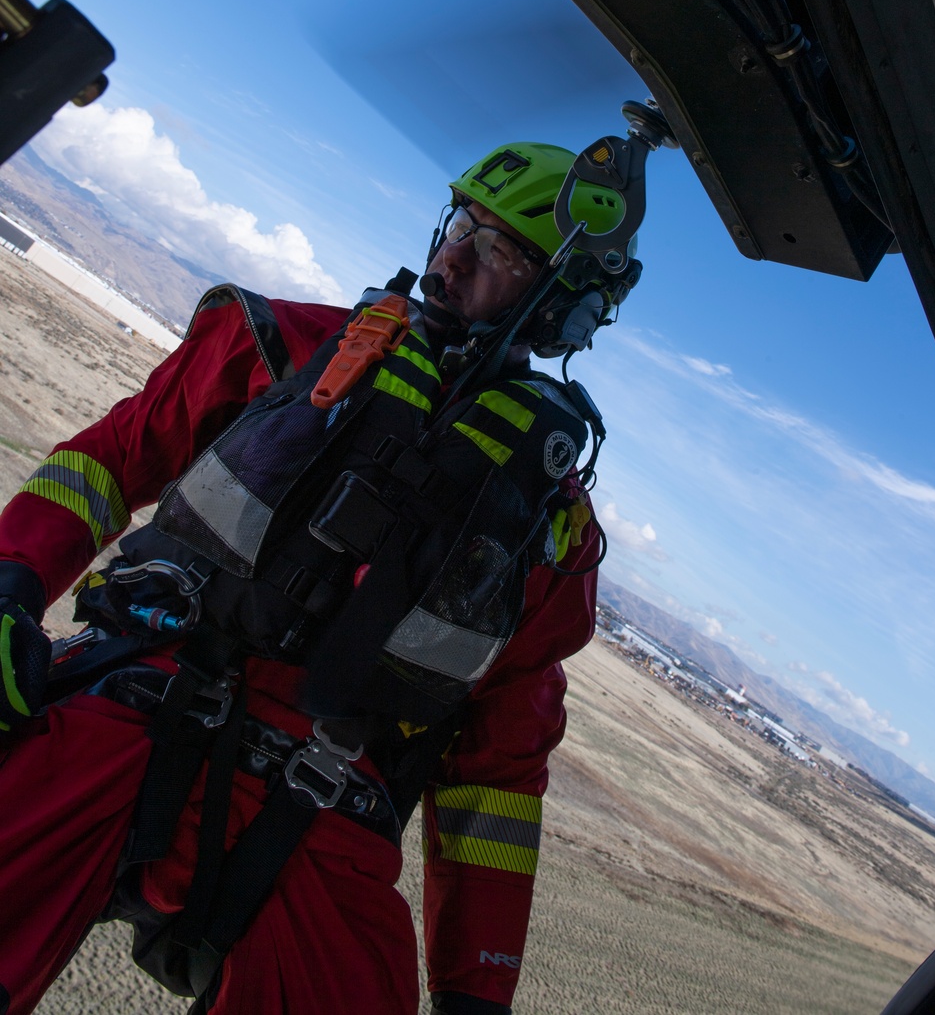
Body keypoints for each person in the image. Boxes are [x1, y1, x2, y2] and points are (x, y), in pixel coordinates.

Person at [0, 141, 641, 1015]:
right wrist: (10, 590)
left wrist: (473, 989)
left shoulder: (547, 531)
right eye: (461, 225)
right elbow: (107, 463)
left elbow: (496, 774)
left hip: (323, 814)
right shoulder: (285, 348)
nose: (451, 258)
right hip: (131, 706)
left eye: (500, 251)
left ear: (563, 309)